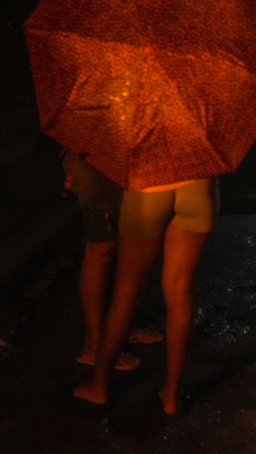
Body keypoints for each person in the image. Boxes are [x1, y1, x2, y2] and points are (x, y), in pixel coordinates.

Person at [73, 177, 217, 415]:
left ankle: (99, 386)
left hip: (148, 191)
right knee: (181, 293)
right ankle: (171, 396)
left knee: (127, 292)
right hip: (199, 190)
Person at [60, 149, 163, 372]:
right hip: (96, 163)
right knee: (101, 250)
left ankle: (118, 329)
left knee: (121, 246)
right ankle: (94, 345)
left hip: (118, 161)